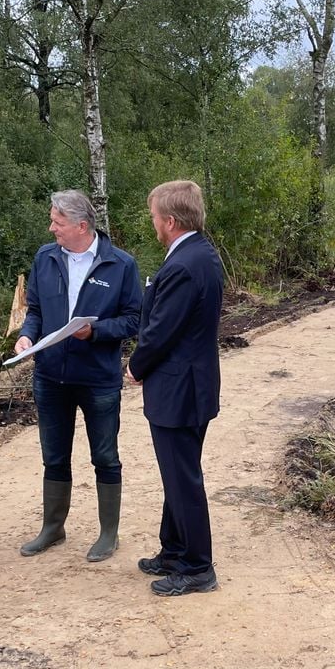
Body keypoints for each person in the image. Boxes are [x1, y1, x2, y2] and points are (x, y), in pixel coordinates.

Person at [16, 190, 142, 562]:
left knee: (105, 456)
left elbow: (134, 319)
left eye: (58, 221)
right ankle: (53, 528)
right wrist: (27, 334)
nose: (51, 227)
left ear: (81, 226)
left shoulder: (120, 264)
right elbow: (35, 309)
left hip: (98, 379)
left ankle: (108, 533)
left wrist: (96, 331)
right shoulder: (45, 257)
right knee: (54, 456)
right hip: (50, 376)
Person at [126, 180, 223, 596]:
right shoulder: (201, 254)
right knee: (177, 473)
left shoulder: (184, 265)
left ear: (169, 220)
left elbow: (162, 330)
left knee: (182, 477)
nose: (153, 225)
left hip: (179, 388)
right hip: (190, 384)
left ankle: (198, 566)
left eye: (153, 218)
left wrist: (136, 366)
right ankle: (175, 549)